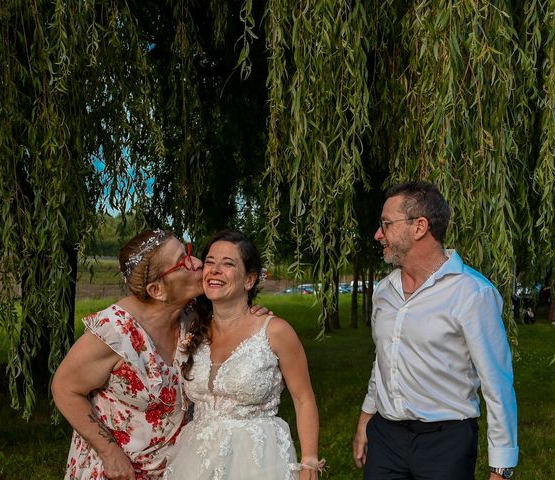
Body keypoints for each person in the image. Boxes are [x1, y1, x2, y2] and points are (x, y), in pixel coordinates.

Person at [52, 229, 270, 480]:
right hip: (116, 472)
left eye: (188, 252)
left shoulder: (190, 318)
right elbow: (64, 387)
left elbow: (232, 317)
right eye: (183, 261)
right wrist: (109, 451)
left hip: (174, 469)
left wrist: (251, 317)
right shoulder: (116, 332)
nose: (198, 263)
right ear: (157, 290)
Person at [352, 181, 518, 480]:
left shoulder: (472, 294)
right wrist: (366, 417)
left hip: (446, 442)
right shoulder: (384, 292)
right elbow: (384, 360)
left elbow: (497, 385)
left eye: (386, 224)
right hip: (386, 438)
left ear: (419, 227)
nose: (378, 235)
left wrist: (501, 469)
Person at [164, 230, 324, 480]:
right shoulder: (191, 330)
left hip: (257, 461)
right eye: (210, 262)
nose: (215, 270)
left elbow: (304, 399)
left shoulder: (274, 331)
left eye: (228, 264)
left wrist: (310, 463)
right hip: (196, 458)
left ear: (249, 280)